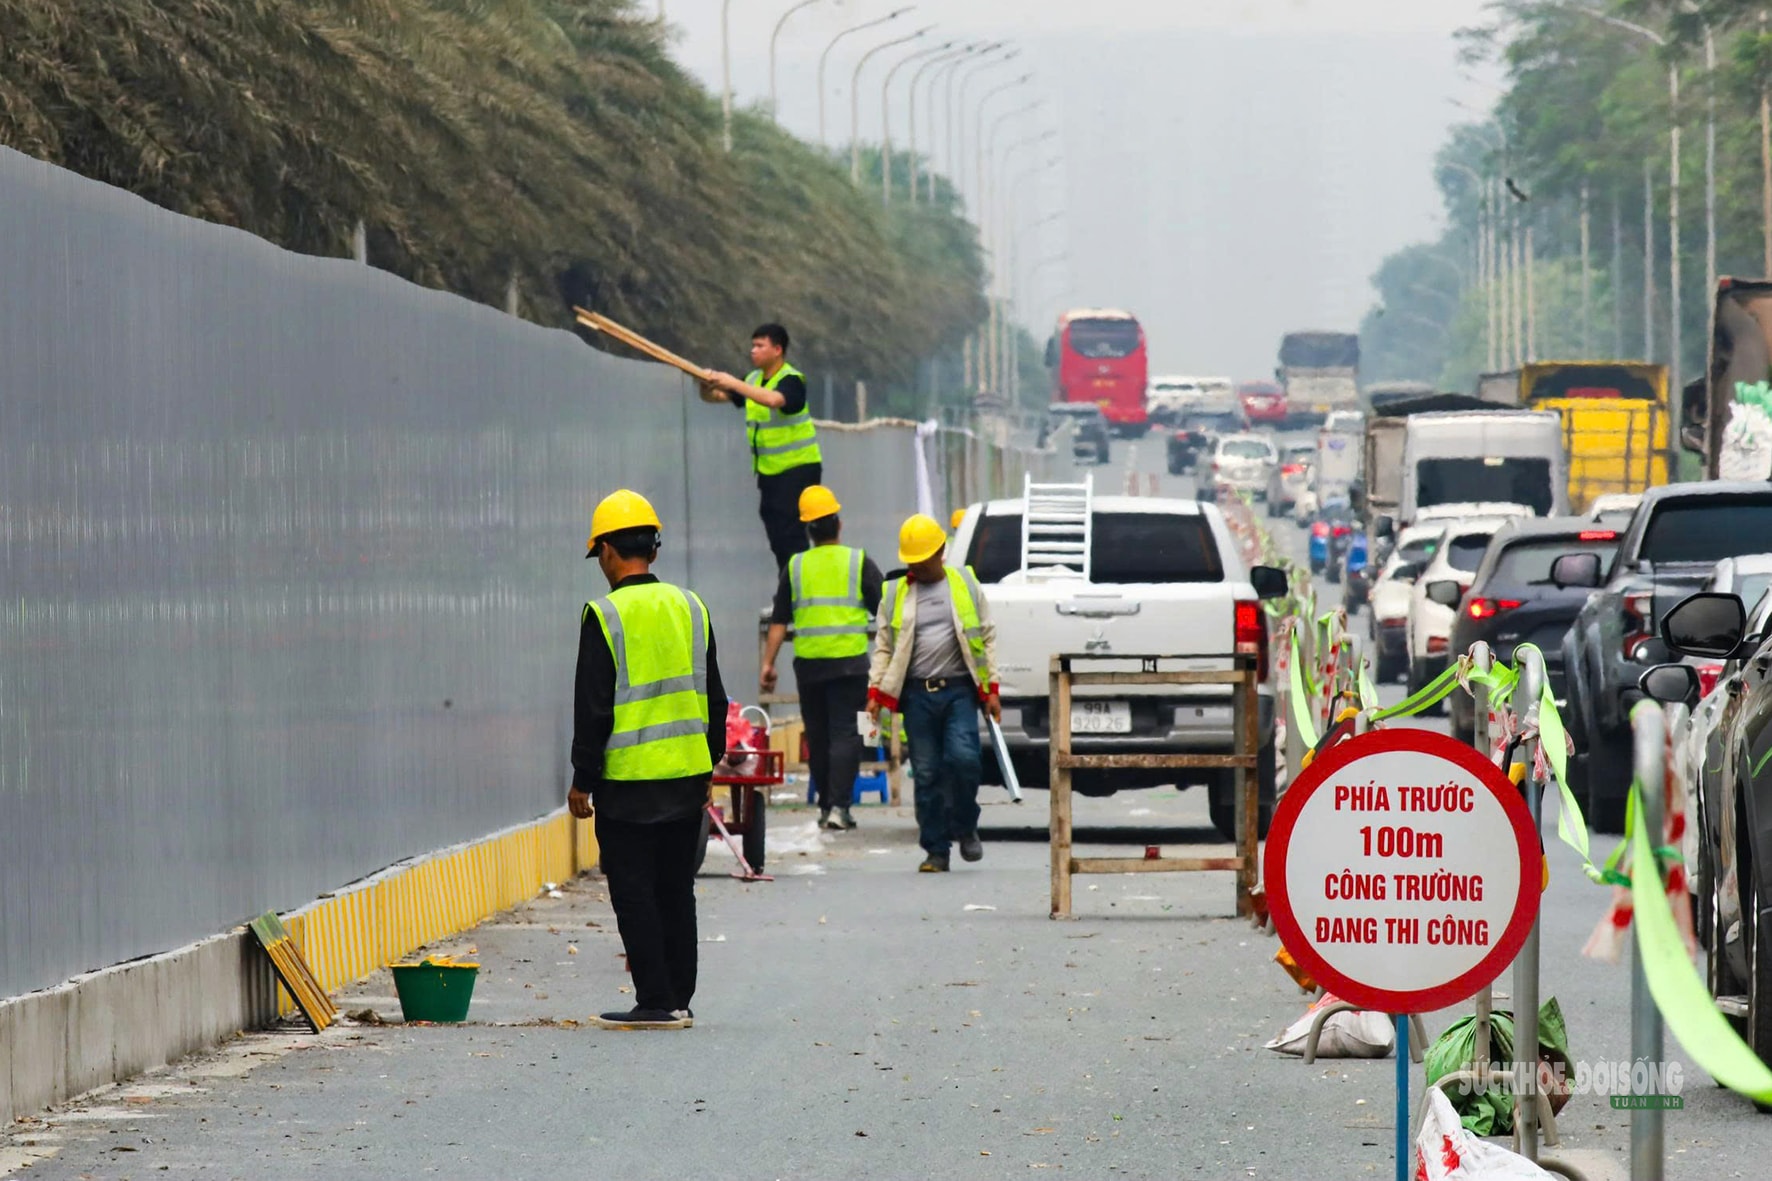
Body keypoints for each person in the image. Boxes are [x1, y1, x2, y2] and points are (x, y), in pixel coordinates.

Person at [569, 489, 728, 1031]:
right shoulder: (692, 606)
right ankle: (679, 996)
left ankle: (656, 1001)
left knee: (633, 890)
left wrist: (582, 780)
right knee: (675, 887)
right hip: (686, 778)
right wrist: (710, 766)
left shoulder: (605, 615)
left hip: (628, 783)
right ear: (653, 551)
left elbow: (593, 707)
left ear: (609, 552)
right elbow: (716, 698)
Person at [866, 514, 1000, 873]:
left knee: (965, 760)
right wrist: (876, 690)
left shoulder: (965, 585)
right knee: (926, 774)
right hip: (916, 695)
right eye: (912, 562)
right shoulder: (895, 593)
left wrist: (991, 690)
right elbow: (883, 646)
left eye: (922, 561)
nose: (917, 569)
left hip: (958, 691)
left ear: (940, 552)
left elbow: (985, 637)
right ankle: (936, 851)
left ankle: (966, 823)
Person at [760, 485, 883, 832]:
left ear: (808, 530)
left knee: (818, 735)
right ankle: (838, 809)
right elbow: (885, 612)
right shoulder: (858, 562)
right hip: (850, 664)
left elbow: (779, 621)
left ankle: (826, 805)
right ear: (838, 524)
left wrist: (768, 665)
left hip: (810, 666)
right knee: (847, 733)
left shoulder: (795, 567)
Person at [702, 323, 822, 569]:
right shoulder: (753, 379)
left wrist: (732, 382)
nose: (752, 351)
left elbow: (773, 399)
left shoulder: (791, 380)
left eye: (759, 346)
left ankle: (795, 593)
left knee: (791, 534)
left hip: (797, 468)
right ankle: (787, 588)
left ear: (777, 349)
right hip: (769, 472)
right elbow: (715, 398)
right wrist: (704, 384)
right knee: (776, 534)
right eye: (752, 345)